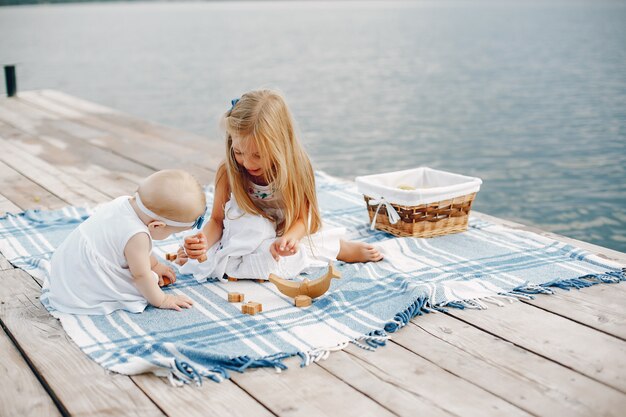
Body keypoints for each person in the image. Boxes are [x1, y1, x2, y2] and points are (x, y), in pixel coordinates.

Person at [176, 89, 382, 275]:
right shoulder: (228, 170)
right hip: (249, 230)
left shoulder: (298, 169)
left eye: (258, 155)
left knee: (301, 248)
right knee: (215, 255)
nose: (247, 162)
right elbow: (217, 221)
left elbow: (303, 219)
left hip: (285, 228)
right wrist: (203, 243)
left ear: (280, 144)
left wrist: (289, 239)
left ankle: (340, 248)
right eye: (238, 152)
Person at [42, 169, 206, 315]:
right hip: (81, 289)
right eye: (173, 232)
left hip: (66, 269)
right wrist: (162, 299)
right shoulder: (138, 236)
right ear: (156, 225)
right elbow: (140, 275)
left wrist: (154, 265)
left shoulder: (124, 202)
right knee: (141, 285)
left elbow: (131, 252)